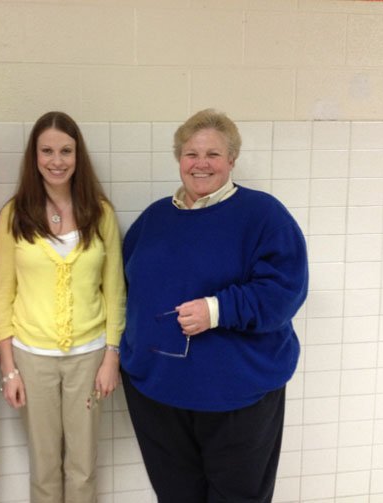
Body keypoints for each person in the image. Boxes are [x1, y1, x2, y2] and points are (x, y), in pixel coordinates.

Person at [120, 108, 308, 503]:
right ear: (179, 159)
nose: (200, 164)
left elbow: (284, 291)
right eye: (191, 154)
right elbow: (125, 285)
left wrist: (216, 310)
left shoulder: (263, 215)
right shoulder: (154, 218)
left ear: (232, 160)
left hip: (236, 396)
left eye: (213, 154)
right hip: (158, 394)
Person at [0, 111, 126, 503]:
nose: (57, 160)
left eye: (66, 151)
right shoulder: (14, 215)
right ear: (34, 156)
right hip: (32, 360)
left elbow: (115, 290)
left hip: (89, 357)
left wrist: (111, 356)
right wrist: (9, 369)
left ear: (78, 155)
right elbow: (1, 295)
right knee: (44, 468)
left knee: (82, 468)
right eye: (47, 151)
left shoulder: (101, 214)